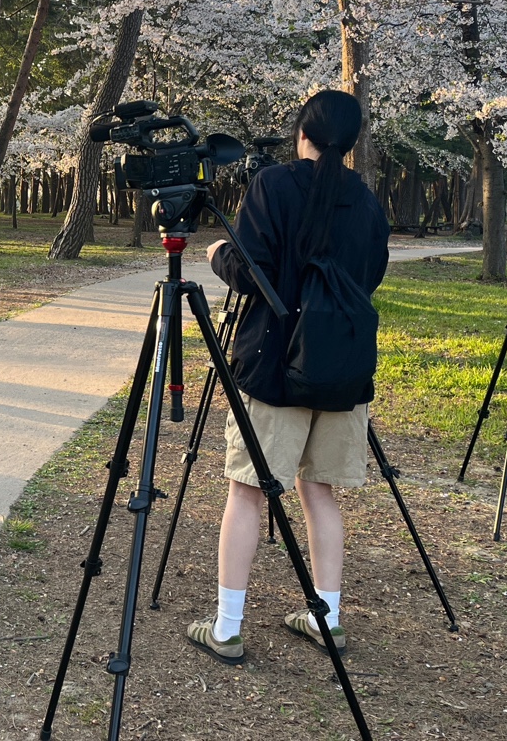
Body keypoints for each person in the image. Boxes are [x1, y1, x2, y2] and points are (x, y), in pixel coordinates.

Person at [186, 90, 390, 664]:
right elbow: (368, 277)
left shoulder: (274, 186)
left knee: (247, 493)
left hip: (276, 367)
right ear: (350, 144)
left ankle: (228, 627)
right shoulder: (367, 202)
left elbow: (251, 275)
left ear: (303, 132)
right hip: (343, 371)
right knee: (318, 492)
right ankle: (328, 617)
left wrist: (217, 251)